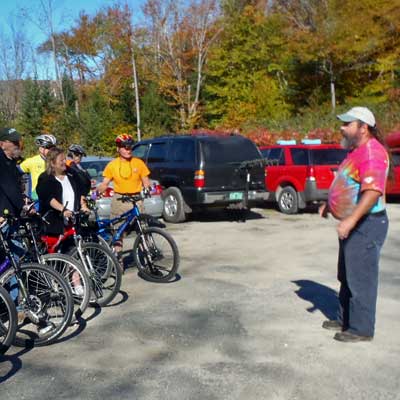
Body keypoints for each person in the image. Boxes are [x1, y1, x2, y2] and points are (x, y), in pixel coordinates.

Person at [319, 106, 389, 343]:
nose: (342, 127)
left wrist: (350, 219)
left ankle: (361, 329)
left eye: (347, 124)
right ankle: (345, 318)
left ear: (363, 128)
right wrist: (330, 205)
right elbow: (348, 184)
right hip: (357, 223)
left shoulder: (372, 153)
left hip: (367, 224)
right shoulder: (356, 151)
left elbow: (372, 192)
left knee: (361, 278)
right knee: (347, 274)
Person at [97, 134, 151, 255]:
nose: (128, 150)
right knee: (118, 232)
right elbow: (105, 183)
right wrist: (96, 192)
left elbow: (146, 180)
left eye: (130, 147)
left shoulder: (138, 163)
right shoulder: (112, 165)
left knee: (143, 230)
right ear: (118, 149)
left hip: (137, 200)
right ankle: (118, 260)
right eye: (125, 147)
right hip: (120, 201)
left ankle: (148, 259)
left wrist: (147, 188)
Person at [36, 147, 89, 236]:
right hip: (55, 223)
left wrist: (84, 205)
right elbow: (49, 199)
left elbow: (81, 190)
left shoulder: (71, 174)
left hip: (74, 221)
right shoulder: (45, 178)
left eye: (65, 159)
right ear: (52, 163)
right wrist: (63, 210)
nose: (65, 161)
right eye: (61, 160)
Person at [19, 134, 57, 201]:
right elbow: (14, 173)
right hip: (36, 198)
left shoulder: (56, 161)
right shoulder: (32, 161)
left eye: (53, 147)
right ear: (41, 148)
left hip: (54, 198)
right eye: (49, 147)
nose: (51, 150)